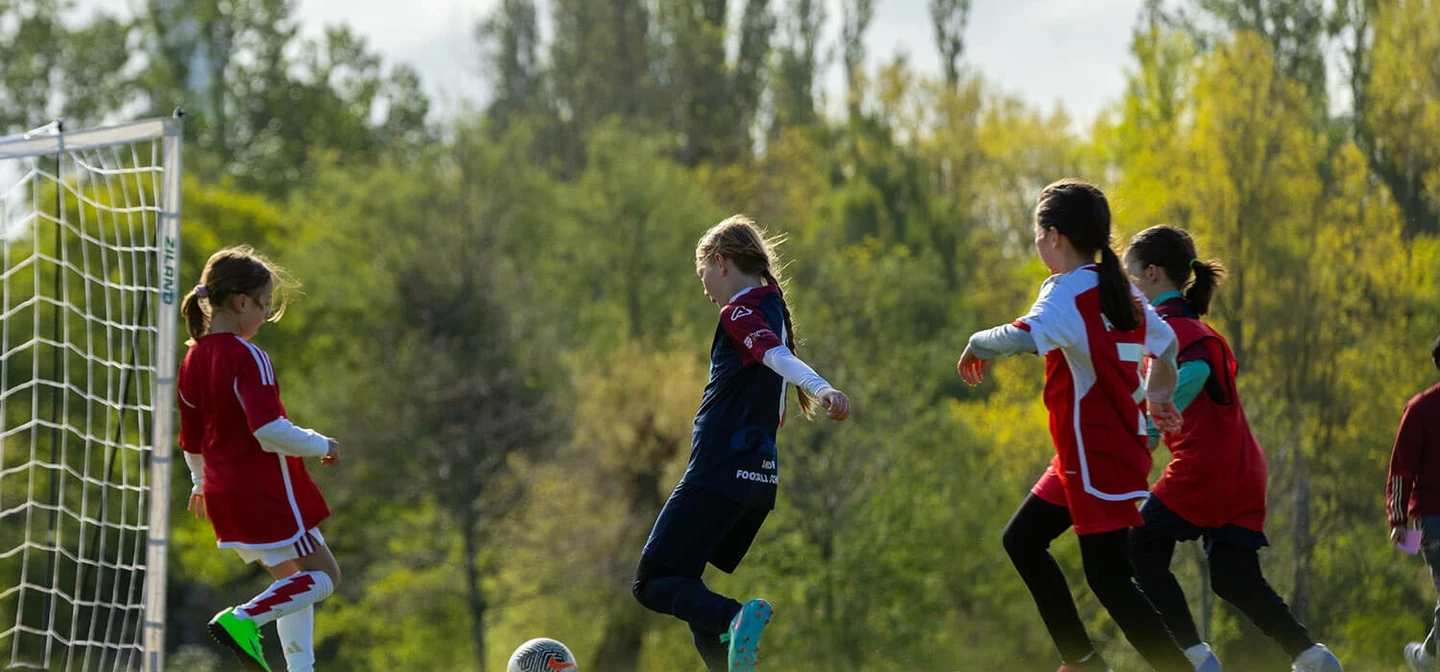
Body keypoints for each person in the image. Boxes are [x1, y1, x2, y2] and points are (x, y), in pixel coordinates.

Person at [958, 180, 1191, 672]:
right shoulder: (1119, 288)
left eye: (1037, 233)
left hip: (1096, 460)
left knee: (1109, 581)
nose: (1036, 242)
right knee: (1022, 540)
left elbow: (1017, 336)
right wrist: (1159, 393)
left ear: (1054, 237)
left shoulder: (1069, 294)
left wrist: (976, 342)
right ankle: (1083, 661)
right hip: (1087, 456)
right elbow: (1166, 343)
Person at [632, 215, 851, 672]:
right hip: (757, 484)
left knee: (652, 582)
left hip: (718, 472)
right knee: (688, 584)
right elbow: (776, 411)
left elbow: (779, 357)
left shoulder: (740, 312)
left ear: (721, 262)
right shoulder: (773, 310)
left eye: (703, 276)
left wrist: (823, 388)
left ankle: (735, 617)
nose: (706, 289)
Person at [1123, 225, 1342, 672]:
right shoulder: (1188, 327)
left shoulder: (1174, 328)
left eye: (1128, 279)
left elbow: (1197, 372)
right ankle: (1311, 657)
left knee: (1139, 544)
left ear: (1151, 275)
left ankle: (1192, 657)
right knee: (1233, 577)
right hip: (1243, 467)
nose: (1125, 290)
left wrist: (1148, 429)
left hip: (1207, 466)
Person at [178, 246, 340, 672]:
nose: (266, 316)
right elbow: (268, 430)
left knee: (293, 581)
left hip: (224, 494)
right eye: (265, 305)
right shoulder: (248, 356)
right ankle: (242, 619)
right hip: (268, 492)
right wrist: (322, 444)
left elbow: (191, 439)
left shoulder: (192, 359)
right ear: (241, 302)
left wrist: (199, 483)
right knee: (325, 577)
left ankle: (300, 668)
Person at [1388, 333, 1440, 672]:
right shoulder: (1420, 409)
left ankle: (1427, 656)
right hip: (1433, 517)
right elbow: (1400, 469)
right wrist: (1398, 520)